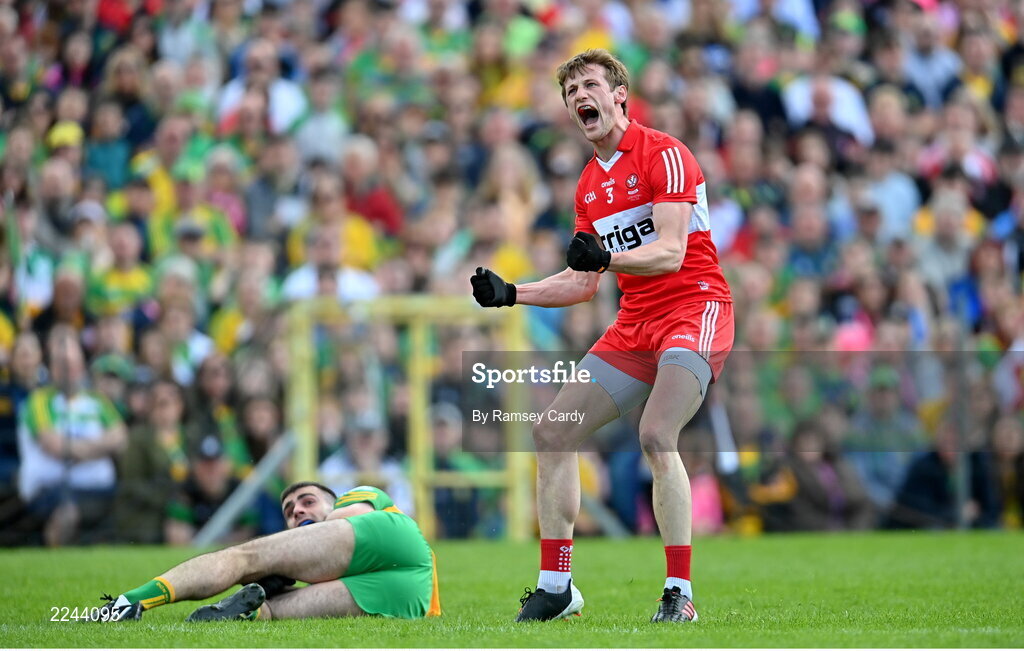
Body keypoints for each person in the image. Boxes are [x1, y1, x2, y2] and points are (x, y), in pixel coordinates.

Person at [470, 49, 733, 624]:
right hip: (635, 324)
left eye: (590, 85)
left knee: (657, 433)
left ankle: (678, 594)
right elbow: (581, 282)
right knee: (551, 431)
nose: (579, 97)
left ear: (620, 96)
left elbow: (671, 252)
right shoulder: (590, 184)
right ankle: (556, 586)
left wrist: (606, 256)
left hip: (695, 308)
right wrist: (511, 293)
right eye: (570, 92)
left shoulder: (665, 152)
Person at [94, 482, 440, 622]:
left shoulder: (358, 496)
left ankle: (127, 602)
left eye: (308, 501)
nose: (298, 511)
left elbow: (356, 518)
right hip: (413, 599)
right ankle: (239, 615)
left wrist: (324, 526)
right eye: (290, 511)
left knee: (246, 558)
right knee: (272, 611)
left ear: (333, 502)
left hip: (399, 541)